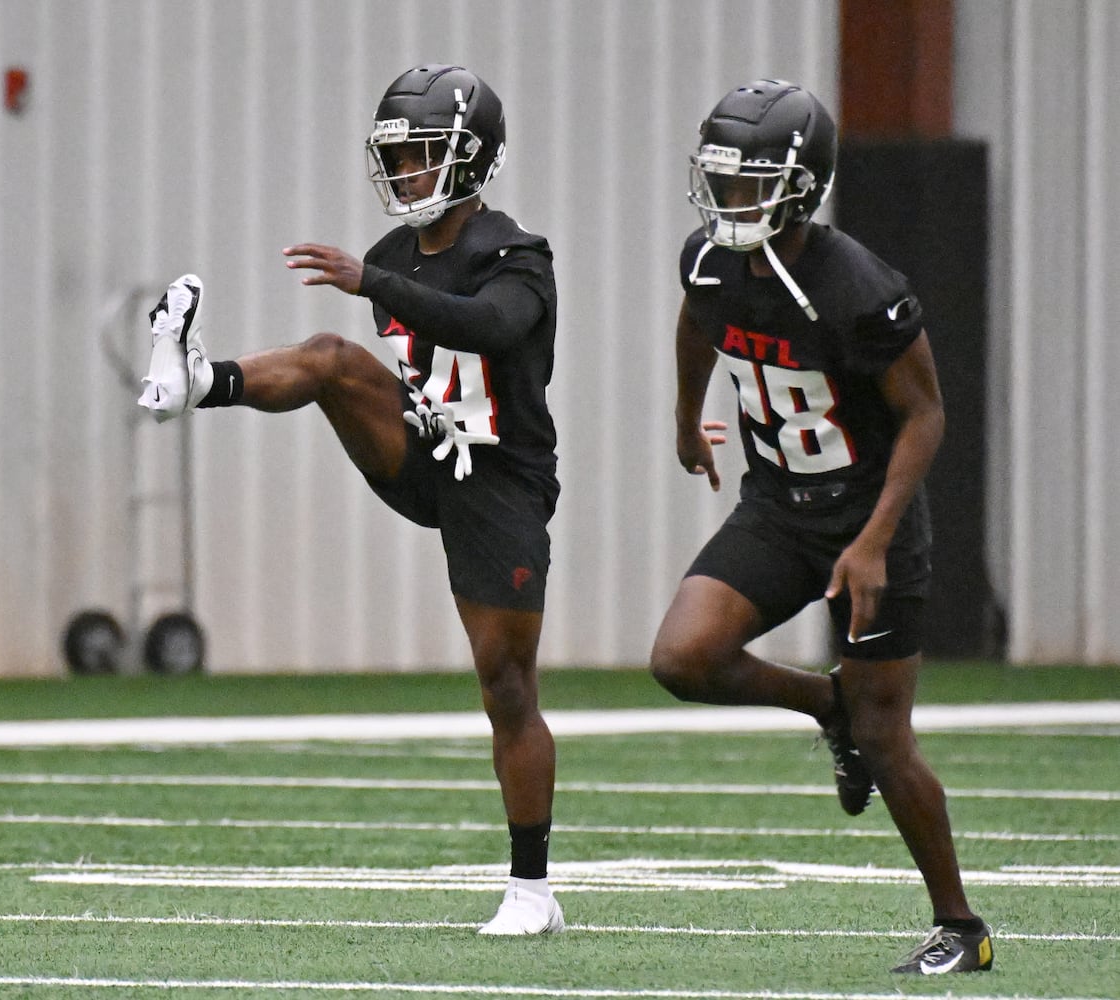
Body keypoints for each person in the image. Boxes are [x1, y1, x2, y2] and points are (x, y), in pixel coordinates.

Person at [138, 64, 563, 936]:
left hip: (499, 481)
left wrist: (377, 286)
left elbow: (489, 327)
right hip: (420, 448)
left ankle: (533, 891)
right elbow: (402, 357)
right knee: (330, 356)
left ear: (470, 160)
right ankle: (198, 380)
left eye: (420, 159)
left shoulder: (516, 253)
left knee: (506, 686)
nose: (404, 177)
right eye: (398, 160)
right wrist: (377, 286)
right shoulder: (391, 256)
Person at [648, 79, 993, 974]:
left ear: (802, 185)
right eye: (721, 181)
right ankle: (823, 703)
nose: (729, 200)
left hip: (867, 519)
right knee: (682, 659)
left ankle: (961, 927)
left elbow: (926, 415)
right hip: (776, 507)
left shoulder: (859, 287)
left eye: (749, 181)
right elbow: (697, 322)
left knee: (889, 741)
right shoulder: (710, 261)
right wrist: (687, 418)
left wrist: (874, 537)